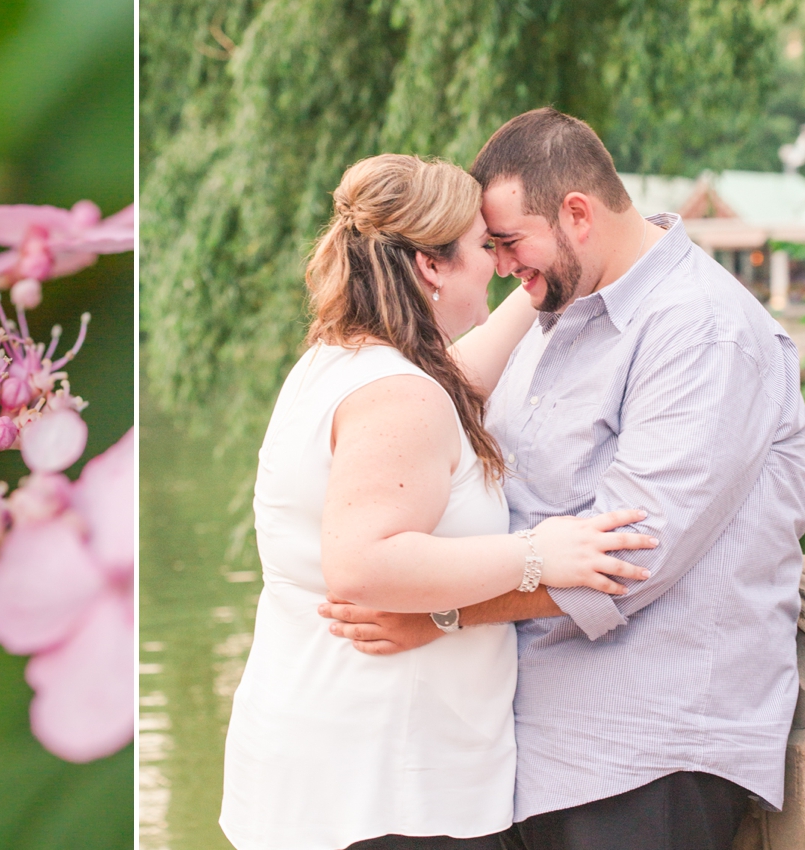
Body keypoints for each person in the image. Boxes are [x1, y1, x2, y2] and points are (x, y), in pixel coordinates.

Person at [320, 110, 805, 850]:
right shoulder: (557, 316)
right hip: (525, 748)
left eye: (509, 243)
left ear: (577, 214)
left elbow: (624, 557)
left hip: (645, 755)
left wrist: (438, 615)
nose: (502, 265)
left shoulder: (703, 330)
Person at [219, 153, 658, 850]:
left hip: (329, 771)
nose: (499, 264)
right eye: (484, 248)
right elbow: (363, 565)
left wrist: (542, 281)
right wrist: (540, 555)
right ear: (431, 266)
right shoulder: (398, 395)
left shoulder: (344, 362)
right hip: (384, 792)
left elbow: (461, 377)